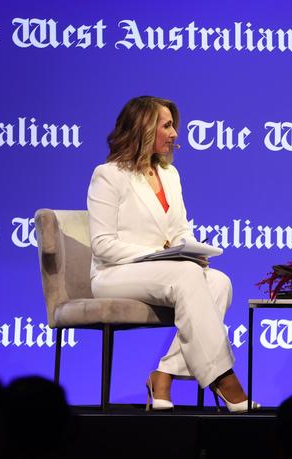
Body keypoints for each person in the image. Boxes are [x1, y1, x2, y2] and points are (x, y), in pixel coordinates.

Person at [87, 96, 257, 412]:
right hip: (114, 274)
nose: (175, 133)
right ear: (143, 129)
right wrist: (162, 257)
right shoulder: (108, 175)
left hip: (162, 272)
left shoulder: (169, 175)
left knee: (219, 282)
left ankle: (163, 375)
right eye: (167, 125)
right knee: (186, 274)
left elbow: (179, 230)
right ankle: (223, 376)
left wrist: (189, 251)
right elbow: (103, 245)